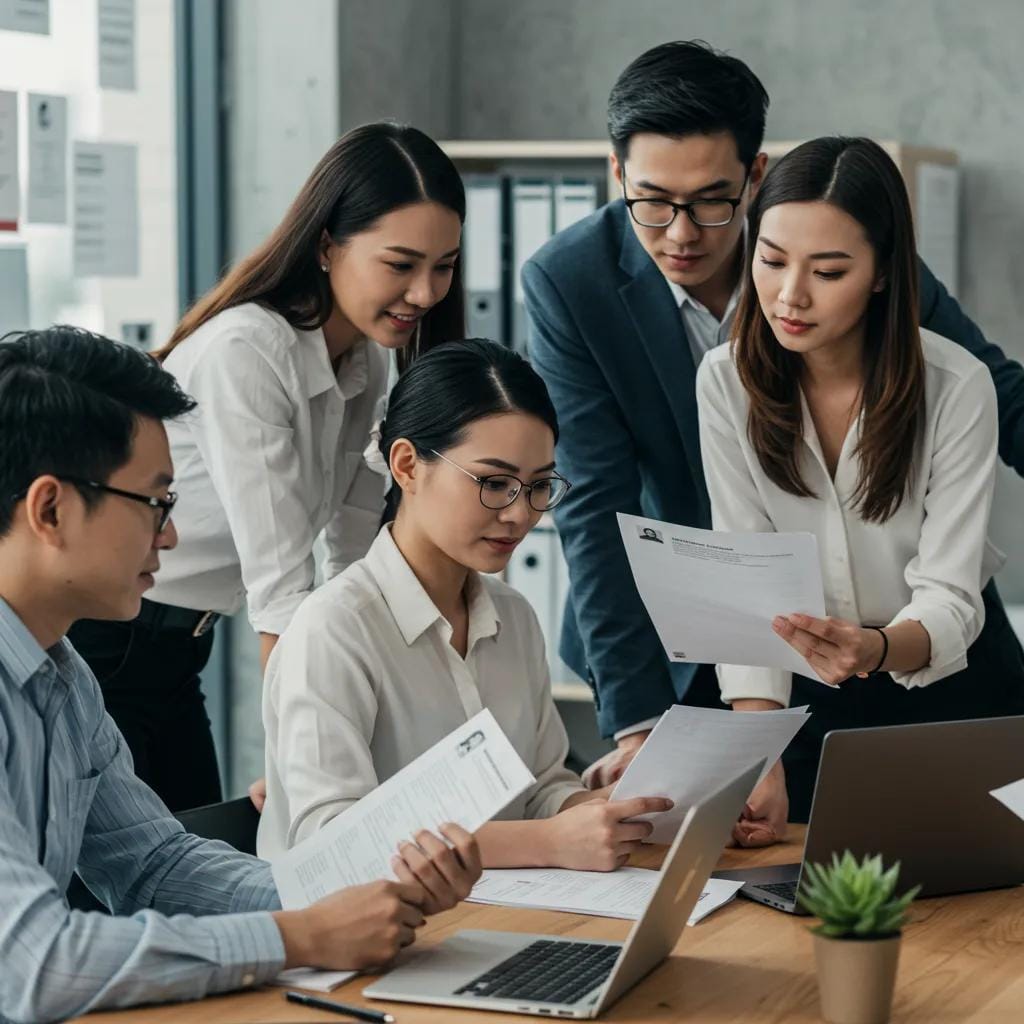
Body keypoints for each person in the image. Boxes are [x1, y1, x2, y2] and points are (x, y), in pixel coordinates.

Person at [523, 40, 1024, 807]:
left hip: (925, 644)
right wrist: (640, 724)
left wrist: (890, 645)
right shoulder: (573, 283)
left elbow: (992, 395)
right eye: (653, 202)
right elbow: (595, 505)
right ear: (616, 173)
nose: (681, 233)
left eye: (712, 201)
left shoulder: (842, 240)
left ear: (754, 178)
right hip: (720, 648)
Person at [0, 327, 480, 1023]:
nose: (170, 537)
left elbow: (155, 866)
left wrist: (366, 893)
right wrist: (299, 935)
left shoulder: (63, 675)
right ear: (51, 508)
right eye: (157, 503)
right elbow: (33, 964)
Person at [67, 122, 466, 812]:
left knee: (185, 870)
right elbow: (282, 585)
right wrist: (312, 768)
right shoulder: (249, 351)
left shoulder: (365, 361)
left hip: (178, 649)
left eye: (445, 266)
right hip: (104, 644)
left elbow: (350, 558)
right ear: (325, 246)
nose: (427, 293)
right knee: (127, 886)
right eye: (401, 265)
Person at [695, 136, 1024, 835]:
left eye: (830, 270)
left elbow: (950, 595)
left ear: (881, 273)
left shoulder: (957, 386)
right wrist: (761, 755)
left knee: (980, 920)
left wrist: (874, 649)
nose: (790, 295)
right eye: (772, 259)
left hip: (951, 683)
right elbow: (745, 572)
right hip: (809, 699)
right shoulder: (725, 383)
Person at [258, 340, 671, 868]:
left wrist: (605, 808)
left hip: (501, 914)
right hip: (363, 937)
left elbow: (541, 789)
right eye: (495, 483)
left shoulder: (514, 617)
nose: (521, 515)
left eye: (539, 486)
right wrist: (548, 841)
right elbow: (333, 839)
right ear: (407, 465)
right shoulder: (333, 629)